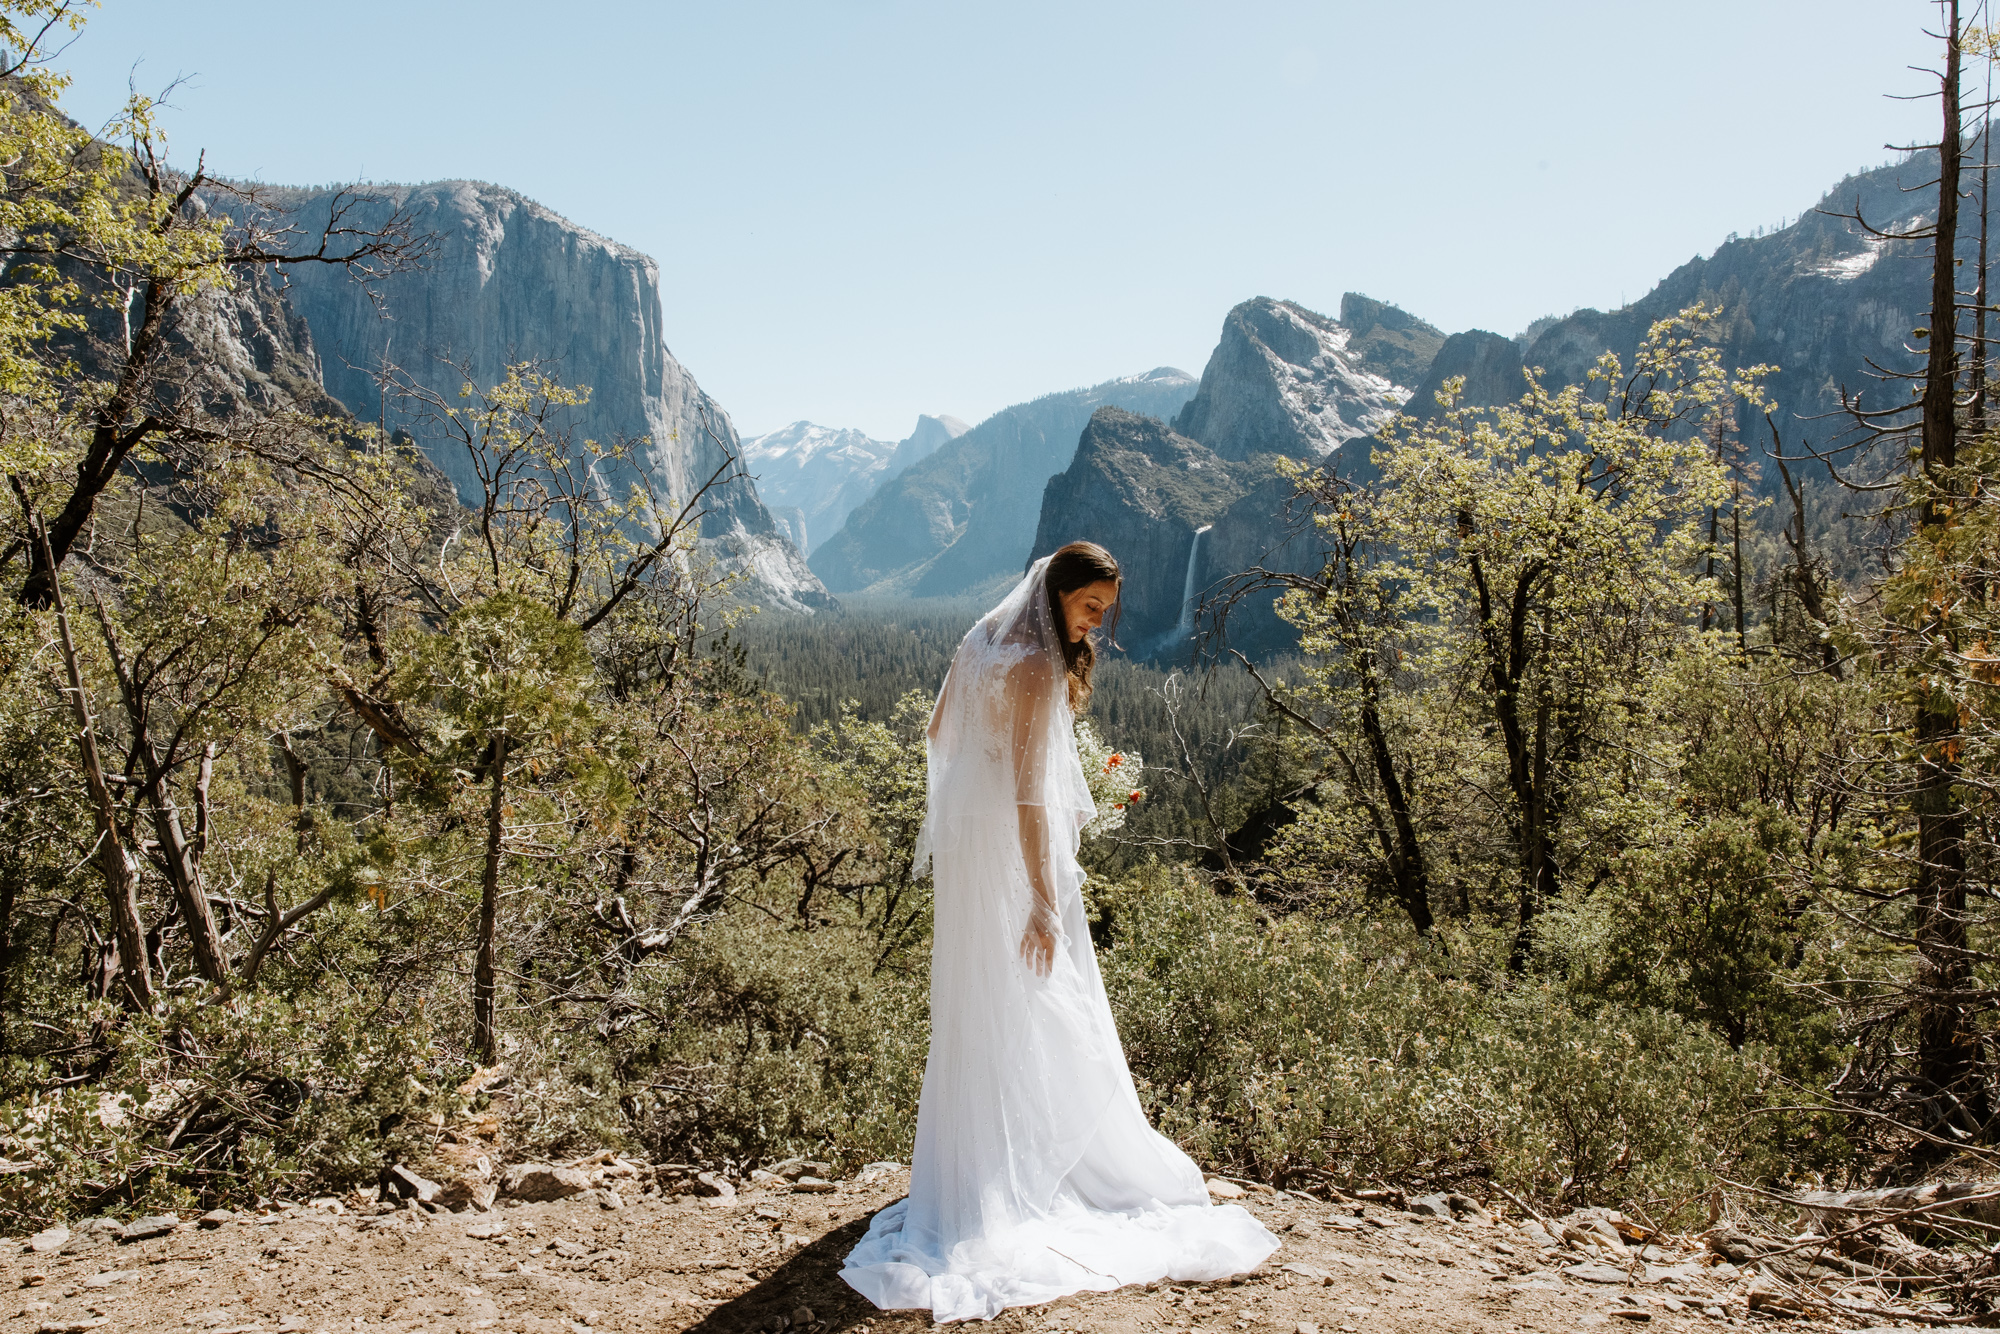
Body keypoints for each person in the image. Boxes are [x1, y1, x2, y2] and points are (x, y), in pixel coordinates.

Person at [840, 541, 1277, 1323]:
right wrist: (1044, 897)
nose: (1098, 626)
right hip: (1011, 856)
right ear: (1057, 595)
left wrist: (964, 810)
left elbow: (941, 731)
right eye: (1089, 608)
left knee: (982, 1003)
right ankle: (1032, 1178)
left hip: (971, 860)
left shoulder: (981, 635)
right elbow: (1031, 797)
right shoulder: (1038, 666)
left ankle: (969, 1180)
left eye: (1105, 614)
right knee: (1038, 996)